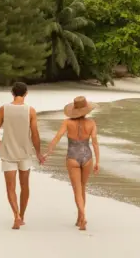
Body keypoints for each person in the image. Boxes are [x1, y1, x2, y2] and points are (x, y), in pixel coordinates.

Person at [0, 82, 44, 230]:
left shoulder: (4, 109)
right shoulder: (30, 111)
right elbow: (35, 134)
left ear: (12, 93)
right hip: (25, 153)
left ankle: (16, 216)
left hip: (8, 152)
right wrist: (38, 153)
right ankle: (22, 215)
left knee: (10, 187)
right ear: (26, 93)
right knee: (25, 185)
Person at [42, 96, 100, 231]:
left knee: (77, 190)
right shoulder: (91, 123)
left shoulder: (67, 123)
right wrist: (98, 161)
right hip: (87, 157)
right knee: (83, 187)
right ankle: (80, 217)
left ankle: (82, 216)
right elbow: (95, 143)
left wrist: (47, 153)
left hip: (72, 157)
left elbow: (57, 138)